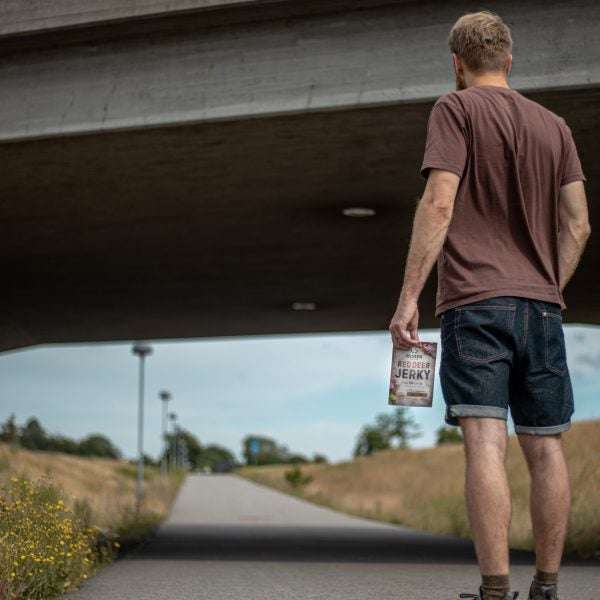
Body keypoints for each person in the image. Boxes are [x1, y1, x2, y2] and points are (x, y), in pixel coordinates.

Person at [388, 10, 590, 600]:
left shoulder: (454, 109)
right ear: (509, 59)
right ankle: (547, 587)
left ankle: (495, 590)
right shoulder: (555, 126)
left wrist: (407, 300)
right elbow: (577, 223)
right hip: (542, 307)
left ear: (456, 63)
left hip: (475, 305)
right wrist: (550, 282)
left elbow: (439, 203)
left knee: (484, 440)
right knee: (546, 443)